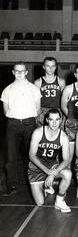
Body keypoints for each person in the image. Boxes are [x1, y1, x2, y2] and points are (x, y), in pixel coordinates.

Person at [0, 62, 41, 195]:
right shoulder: (7, 90)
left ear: (26, 72)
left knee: (31, 155)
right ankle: (12, 185)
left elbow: (38, 109)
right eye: (17, 71)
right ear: (13, 72)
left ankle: (35, 182)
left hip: (30, 124)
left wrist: (28, 118)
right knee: (11, 157)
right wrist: (16, 117)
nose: (19, 73)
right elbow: (6, 111)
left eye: (22, 71)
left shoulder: (34, 88)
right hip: (12, 125)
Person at [28, 109, 72, 212]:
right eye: (51, 120)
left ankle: (60, 201)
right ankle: (45, 185)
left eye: (57, 120)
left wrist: (52, 174)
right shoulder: (38, 132)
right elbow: (31, 155)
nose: (54, 123)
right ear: (47, 120)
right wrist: (47, 172)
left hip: (52, 166)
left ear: (61, 120)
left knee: (67, 174)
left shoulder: (63, 137)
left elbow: (66, 160)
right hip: (36, 167)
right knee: (40, 203)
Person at [34, 57, 66, 126]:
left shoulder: (61, 81)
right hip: (43, 111)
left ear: (56, 67)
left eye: (53, 66)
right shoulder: (38, 82)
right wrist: (37, 115)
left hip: (57, 110)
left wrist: (63, 115)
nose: (50, 68)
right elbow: (36, 102)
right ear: (43, 67)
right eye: (48, 66)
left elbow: (64, 101)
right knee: (42, 134)